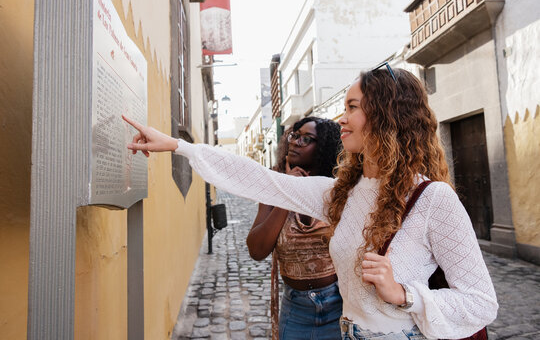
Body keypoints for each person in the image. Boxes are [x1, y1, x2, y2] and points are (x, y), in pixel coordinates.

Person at [122, 65, 498, 339]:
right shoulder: (341, 193)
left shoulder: (434, 199)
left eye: (352, 107)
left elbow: (482, 302)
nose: (342, 118)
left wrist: (405, 294)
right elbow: (259, 179)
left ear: (385, 117)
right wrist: (177, 145)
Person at [246, 117, 342, 339]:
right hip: (297, 310)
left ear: (324, 148)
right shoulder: (274, 184)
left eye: (306, 139)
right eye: (295, 135)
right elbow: (257, 249)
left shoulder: (338, 189)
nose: (296, 142)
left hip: (340, 305)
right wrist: (288, 191)